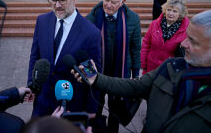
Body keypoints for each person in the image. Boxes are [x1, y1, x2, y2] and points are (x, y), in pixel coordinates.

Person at [73, 10, 211, 133]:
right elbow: (135, 87)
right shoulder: (171, 67)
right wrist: (96, 79)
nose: (183, 43)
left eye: (192, 41)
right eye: (186, 36)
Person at [28, 0, 102, 118]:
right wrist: (32, 85)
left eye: (62, 0)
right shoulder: (42, 21)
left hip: (71, 108)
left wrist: (91, 110)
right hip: (41, 105)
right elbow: (35, 57)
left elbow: (93, 76)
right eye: (53, 0)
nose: (57, 5)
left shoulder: (91, 33)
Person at [86, 0, 141, 133]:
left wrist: (136, 75)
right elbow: (84, 50)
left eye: (114, 2)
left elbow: (135, 48)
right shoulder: (91, 18)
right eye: (106, 0)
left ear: (123, 2)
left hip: (120, 73)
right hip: (97, 72)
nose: (108, 5)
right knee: (95, 105)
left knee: (115, 110)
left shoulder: (133, 19)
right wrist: (88, 75)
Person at [141, 0, 189, 74]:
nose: (170, 13)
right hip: (150, 68)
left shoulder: (186, 30)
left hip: (169, 71)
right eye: (169, 10)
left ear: (180, 14)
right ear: (165, 10)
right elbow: (146, 44)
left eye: (175, 11)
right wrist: (143, 63)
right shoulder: (154, 24)